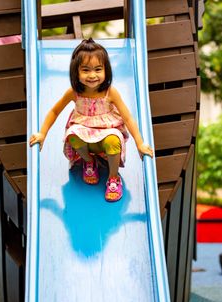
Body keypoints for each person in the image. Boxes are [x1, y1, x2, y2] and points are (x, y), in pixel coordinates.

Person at [29, 38, 153, 202]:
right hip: (85, 138)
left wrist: (140, 143)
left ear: (106, 71)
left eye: (98, 69)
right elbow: (54, 111)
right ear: (76, 72)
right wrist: (42, 133)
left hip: (106, 136)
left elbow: (127, 117)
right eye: (86, 70)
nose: (92, 75)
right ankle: (89, 161)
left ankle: (113, 177)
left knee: (113, 139)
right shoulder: (74, 93)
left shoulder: (110, 93)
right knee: (72, 134)